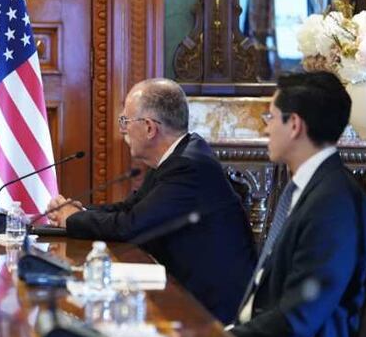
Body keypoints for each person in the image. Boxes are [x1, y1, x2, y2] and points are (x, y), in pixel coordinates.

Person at [229, 71, 366, 337]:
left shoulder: (333, 204)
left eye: (269, 117)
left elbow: (298, 320)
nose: (265, 128)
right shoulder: (311, 185)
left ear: (294, 124)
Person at [47, 78, 255, 323]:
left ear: (149, 128)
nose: (122, 129)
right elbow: (130, 208)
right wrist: (78, 211)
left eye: (125, 121)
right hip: (184, 292)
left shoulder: (188, 166)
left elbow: (131, 225)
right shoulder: (178, 156)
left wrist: (73, 219)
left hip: (209, 310)